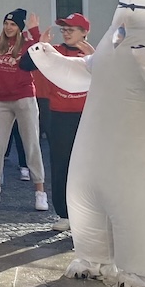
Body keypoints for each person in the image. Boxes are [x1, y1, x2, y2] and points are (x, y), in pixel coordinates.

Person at [0, 8, 48, 210]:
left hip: (24, 99)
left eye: (13, 24)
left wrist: (36, 31)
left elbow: (44, 54)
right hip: (0, 101)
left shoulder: (27, 44)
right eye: (6, 23)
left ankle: (40, 191)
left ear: (20, 28)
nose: (8, 27)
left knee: (31, 145)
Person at [37, 14, 94, 230]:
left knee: (85, 167)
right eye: (64, 29)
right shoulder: (56, 52)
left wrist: (94, 58)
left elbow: (108, 82)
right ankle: (64, 214)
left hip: (85, 117)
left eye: (72, 28)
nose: (67, 32)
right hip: (58, 115)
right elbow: (26, 64)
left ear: (84, 32)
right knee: (60, 165)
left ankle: (86, 214)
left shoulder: (93, 55)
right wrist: (41, 46)